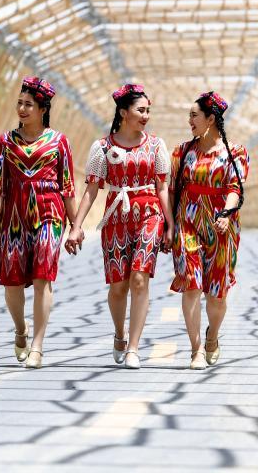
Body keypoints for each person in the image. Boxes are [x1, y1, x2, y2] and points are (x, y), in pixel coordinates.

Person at [65, 84, 173, 369]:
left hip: (150, 213)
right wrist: (76, 227)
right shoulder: (102, 148)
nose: (146, 116)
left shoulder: (156, 146)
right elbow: (91, 190)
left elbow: (162, 188)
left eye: (148, 110)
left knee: (139, 279)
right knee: (118, 287)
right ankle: (120, 334)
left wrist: (170, 225)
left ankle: (134, 348)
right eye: (141, 110)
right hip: (116, 217)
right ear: (124, 113)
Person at [0, 77, 76, 369]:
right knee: (12, 283)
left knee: (42, 277)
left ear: (42, 109)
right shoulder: (6, 141)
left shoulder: (59, 141)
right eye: (20, 103)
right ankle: (20, 328)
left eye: (28, 104)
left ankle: (37, 345)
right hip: (13, 217)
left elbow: (67, 186)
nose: (22, 109)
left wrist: (75, 226)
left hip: (50, 214)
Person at [169, 91, 249, 369]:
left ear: (211, 119)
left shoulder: (235, 153)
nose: (189, 120)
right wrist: (169, 226)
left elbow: (235, 188)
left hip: (221, 226)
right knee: (191, 284)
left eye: (194, 115)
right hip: (187, 223)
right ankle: (196, 351)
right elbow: (172, 190)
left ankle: (212, 335)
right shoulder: (182, 152)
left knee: (216, 294)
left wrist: (226, 213)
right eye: (189, 115)